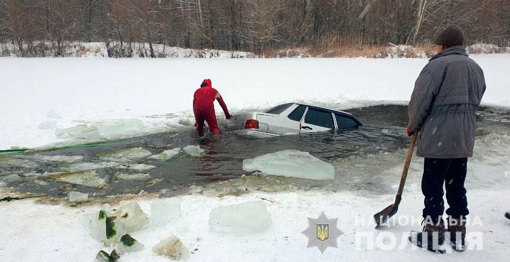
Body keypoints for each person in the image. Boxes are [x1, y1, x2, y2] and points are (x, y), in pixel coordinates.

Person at [407, 25, 486, 251]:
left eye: (438, 45)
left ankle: (432, 235)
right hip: (464, 136)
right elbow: (478, 97)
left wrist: (413, 126)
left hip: (438, 134)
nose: (437, 48)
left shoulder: (437, 66)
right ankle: (457, 233)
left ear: (443, 45)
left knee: (433, 187)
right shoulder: (475, 67)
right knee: (456, 185)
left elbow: (420, 100)